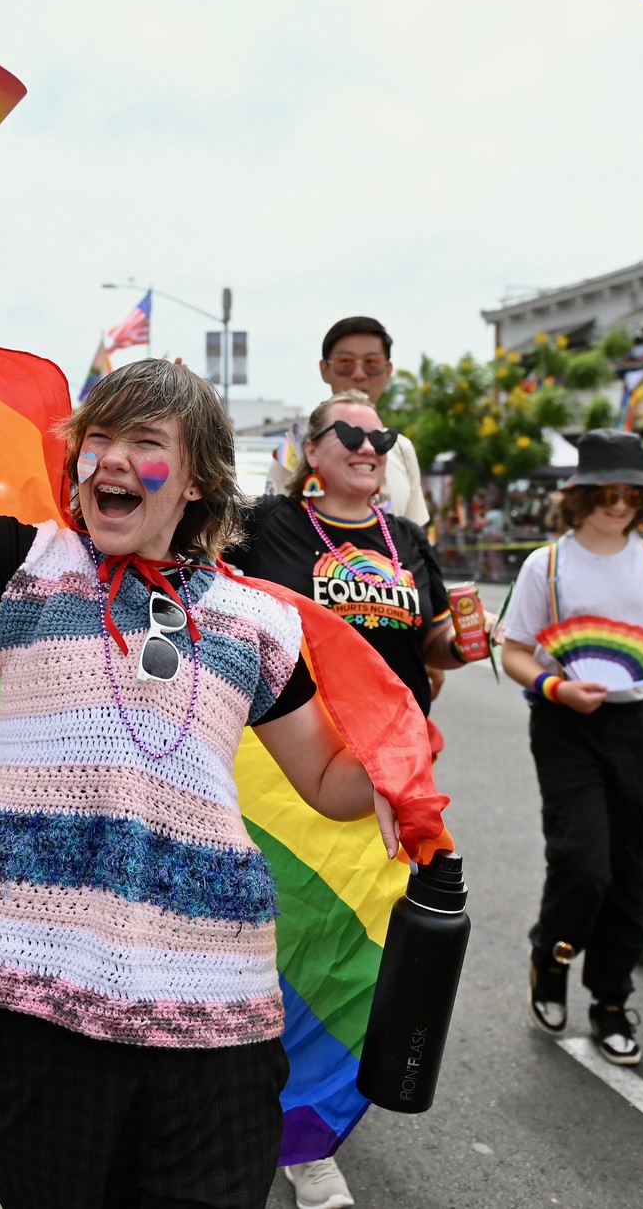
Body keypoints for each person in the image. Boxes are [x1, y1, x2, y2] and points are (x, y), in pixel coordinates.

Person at [0, 187, 438, 1209]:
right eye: (97, 442)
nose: (111, 465)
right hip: (43, 1021)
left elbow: (324, 779)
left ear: (194, 485)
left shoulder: (257, 620)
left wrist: (401, 744)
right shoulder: (21, 568)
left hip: (218, 1028)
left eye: (146, 448)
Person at [224, 388, 465, 1209]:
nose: (369, 446)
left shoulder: (408, 538)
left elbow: (429, 642)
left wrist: (459, 643)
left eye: (381, 435)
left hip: (386, 776)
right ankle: (254, 1110)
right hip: (289, 769)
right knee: (282, 948)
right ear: (311, 449)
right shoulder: (268, 526)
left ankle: (306, 1132)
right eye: (350, 433)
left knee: (360, 959)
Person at [500, 430, 643, 1067]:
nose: (619, 504)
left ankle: (610, 999)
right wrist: (556, 686)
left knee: (635, 867)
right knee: (584, 861)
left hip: (639, 725)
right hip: (566, 726)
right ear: (580, 494)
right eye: (606, 491)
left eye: (631, 493)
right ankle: (550, 956)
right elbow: (514, 652)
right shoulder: (546, 565)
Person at [267, 317, 428, 530]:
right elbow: (273, 532)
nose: (359, 374)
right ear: (325, 370)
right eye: (345, 363)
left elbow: (417, 536)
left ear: (388, 370)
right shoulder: (296, 447)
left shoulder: (401, 449)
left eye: (372, 364)